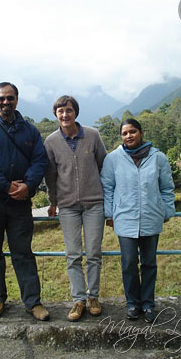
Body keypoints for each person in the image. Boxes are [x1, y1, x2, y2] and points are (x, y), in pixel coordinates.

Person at [0, 82, 50, 321]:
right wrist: (7, 186)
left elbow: (40, 160)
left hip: (20, 204)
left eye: (10, 98)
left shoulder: (30, 131)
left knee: (23, 253)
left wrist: (27, 185)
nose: (6, 102)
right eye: (1, 99)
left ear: (17, 100)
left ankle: (32, 302)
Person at [100, 118, 175, 323]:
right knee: (129, 263)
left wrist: (167, 211)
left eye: (132, 131)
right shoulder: (113, 159)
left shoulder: (158, 158)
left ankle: (148, 304)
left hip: (151, 217)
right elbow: (107, 187)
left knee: (149, 263)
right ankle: (132, 303)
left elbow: (167, 188)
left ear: (141, 132)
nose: (129, 136)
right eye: (124, 133)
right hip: (124, 218)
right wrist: (109, 214)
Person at [44, 95, 107, 321]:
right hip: (67, 206)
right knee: (72, 255)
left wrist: (107, 200)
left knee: (93, 253)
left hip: (94, 204)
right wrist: (53, 202)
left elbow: (104, 167)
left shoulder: (92, 135)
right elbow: (50, 176)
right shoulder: (51, 142)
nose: (65, 115)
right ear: (56, 114)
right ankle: (78, 300)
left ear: (75, 112)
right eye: (60, 111)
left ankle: (93, 297)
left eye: (69, 110)